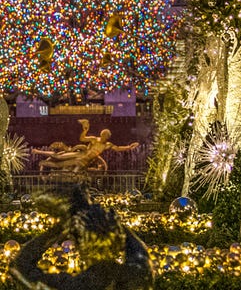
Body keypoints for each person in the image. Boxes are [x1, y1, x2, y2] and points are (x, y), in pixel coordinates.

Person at [11, 186, 153, 290]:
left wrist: (63, 224)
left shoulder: (71, 285)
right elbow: (141, 255)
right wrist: (112, 222)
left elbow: (21, 266)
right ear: (118, 238)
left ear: (80, 245)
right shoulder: (136, 277)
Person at [35, 119, 139, 172]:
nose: (104, 137)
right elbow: (82, 139)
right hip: (80, 154)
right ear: (101, 135)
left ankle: (42, 163)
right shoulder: (94, 139)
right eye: (103, 135)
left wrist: (129, 147)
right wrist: (85, 131)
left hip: (83, 161)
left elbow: (118, 148)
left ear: (108, 137)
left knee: (60, 165)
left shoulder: (107, 145)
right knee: (58, 157)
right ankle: (38, 152)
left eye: (106, 136)